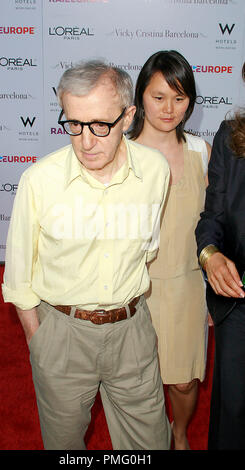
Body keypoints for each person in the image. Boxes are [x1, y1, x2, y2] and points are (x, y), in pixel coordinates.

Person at [2, 59, 172, 450]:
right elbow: (18, 277)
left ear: (128, 117)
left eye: (99, 125)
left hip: (133, 333)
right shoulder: (38, 181)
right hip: (62, 334)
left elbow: (146, 251)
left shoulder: (155, 171)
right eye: (74, 125)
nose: (86, 141)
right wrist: (40, 340)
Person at [129, 50, 211, 450]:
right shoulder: (119, 154)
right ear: (141, 96)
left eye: (179, 98)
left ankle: (178, 433)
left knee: (183, 379)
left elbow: (215, 224)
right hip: (131, 288)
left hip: (186, 285)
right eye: (158, 96)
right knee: (136, 384)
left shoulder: (201, 151)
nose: (169, 108)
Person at [195, 63, 245, 450]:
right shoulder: (231, 138)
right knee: (233, 409)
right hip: (238, 299)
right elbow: (211, 217)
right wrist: (210, 255)